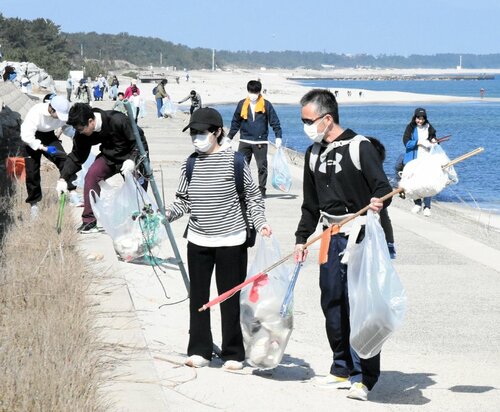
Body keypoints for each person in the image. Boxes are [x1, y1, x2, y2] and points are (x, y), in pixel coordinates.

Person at [293, 89, 392, 402]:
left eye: (308, 120)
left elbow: (383, 189)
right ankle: (340, 366)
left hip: (360, 233)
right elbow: (310, 204)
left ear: (327, 118)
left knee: (361, 306)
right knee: (332, 300)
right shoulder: (312, 154)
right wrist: (301, 238)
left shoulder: (359, 146)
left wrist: (378, 203)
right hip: (329, 234)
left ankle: (364, 376)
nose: (305, 126)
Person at [165, 108, 271, 370]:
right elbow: (183, 201)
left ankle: (233, 352)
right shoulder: (190, 163)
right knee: (198, 298)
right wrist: (166, 214)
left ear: (218, 132)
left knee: (230, 298)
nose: (196, 137)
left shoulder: (236, 161)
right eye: (193, 132)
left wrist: (261, 223)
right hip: (199, 240)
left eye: (202, 132)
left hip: (232, 240)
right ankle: (199, 349)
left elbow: (253, 197)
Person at [56, 103, 149, 233]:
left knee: (137, 188)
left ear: (90, 121)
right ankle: (89, 222)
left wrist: (133, 160)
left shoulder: (118, 119)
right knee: (91, 177)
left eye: (82, 129)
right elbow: (77, 156)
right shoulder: (82, 133)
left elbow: (139, 141)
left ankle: (139, 219)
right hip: (109, 157)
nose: (80, 132)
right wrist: (63, 178)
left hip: (131, 156)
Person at [20, 95, 80, 217]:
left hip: (49, 138)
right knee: (32, 171)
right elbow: (26, 135)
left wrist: (76, 136)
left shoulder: (64, 113)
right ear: (51, 109)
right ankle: (34, 205)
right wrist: (43, 147)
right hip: (32, 138)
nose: (60, 117)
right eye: (58, 114)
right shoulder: (36, 112)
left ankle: (73, 193)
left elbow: (67, 127)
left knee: (64, 160)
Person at [227, 80, 283, 197]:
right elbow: (235, 122)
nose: (253, 94)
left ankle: (261, 190)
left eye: (255, 92)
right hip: (244, 140)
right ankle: (242, 190)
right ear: (248, 91)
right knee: (241, 166)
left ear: (259, 92)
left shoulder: (266, 105)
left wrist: (278, 136)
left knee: (262, 167)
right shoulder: (242, 104)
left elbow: (274, 121)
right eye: (251, 92)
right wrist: (229, 137)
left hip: (260, 141)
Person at [402, 107, 437, 217]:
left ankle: (427, 206)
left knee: (427, 182)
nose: (420, 121)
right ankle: (417, 203)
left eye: (422, 119)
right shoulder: (410, 127)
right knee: (414, 182)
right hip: (414, 159)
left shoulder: (429, 126)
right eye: (418, 118)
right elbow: (406, 143)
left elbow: (433, 138)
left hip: (427, 158)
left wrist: (433, 141)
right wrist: (419, 142)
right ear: (415, 117)